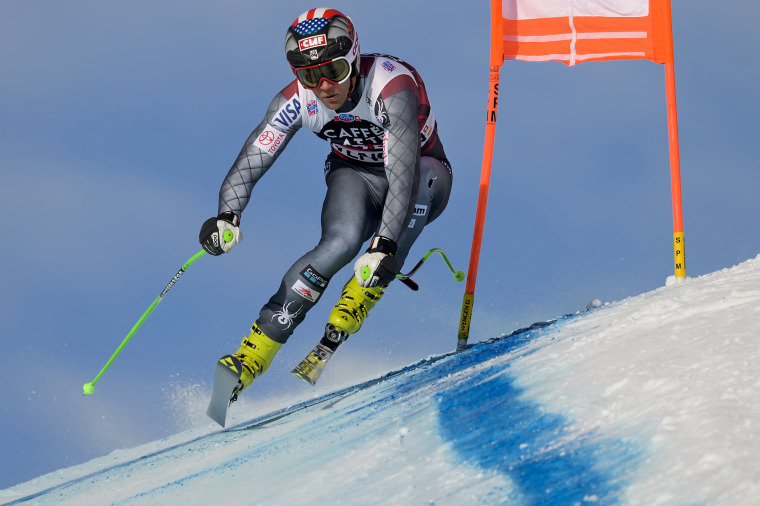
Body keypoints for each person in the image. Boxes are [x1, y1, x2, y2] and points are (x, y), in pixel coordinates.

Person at [199, 7, 452, 395]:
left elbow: (403, 171)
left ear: (353, 60)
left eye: (333, 72)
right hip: (355, 174)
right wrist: (226, 215)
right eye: (308, 76)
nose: (323, 87)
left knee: (412, 194)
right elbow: (254, 157)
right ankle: (252, 355)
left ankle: (358, 299)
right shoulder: (297, 99)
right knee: (340, 243)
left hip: (420, 176)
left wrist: (383, 244)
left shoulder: (390, 85)